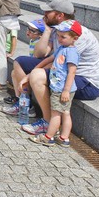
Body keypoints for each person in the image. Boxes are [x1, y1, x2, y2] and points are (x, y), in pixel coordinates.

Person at [18, 0, 99, 136]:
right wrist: (46, 31)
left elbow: (59, 64)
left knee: (37, 76)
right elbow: (40, 54)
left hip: (87, 82)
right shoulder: (58, 30)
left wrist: (31, 74)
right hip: (63, 71)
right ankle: (24, 105)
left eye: (48, 12)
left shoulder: (77, 35)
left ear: (60, 15)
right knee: (20, 62)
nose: (44, 14)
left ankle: (48, 123)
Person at [28, 20, 82, 148]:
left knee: (56, 113)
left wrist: (66, 90)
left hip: (62, 88)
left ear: (75, 38)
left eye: (63, 37)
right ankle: (64, 138)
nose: (59, 39)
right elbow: (51, 59)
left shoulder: (72, 52)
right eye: (58, 35)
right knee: (65, 112)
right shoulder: (63, 48)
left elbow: (72, 72)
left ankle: (48, 137)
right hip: (59, 87)